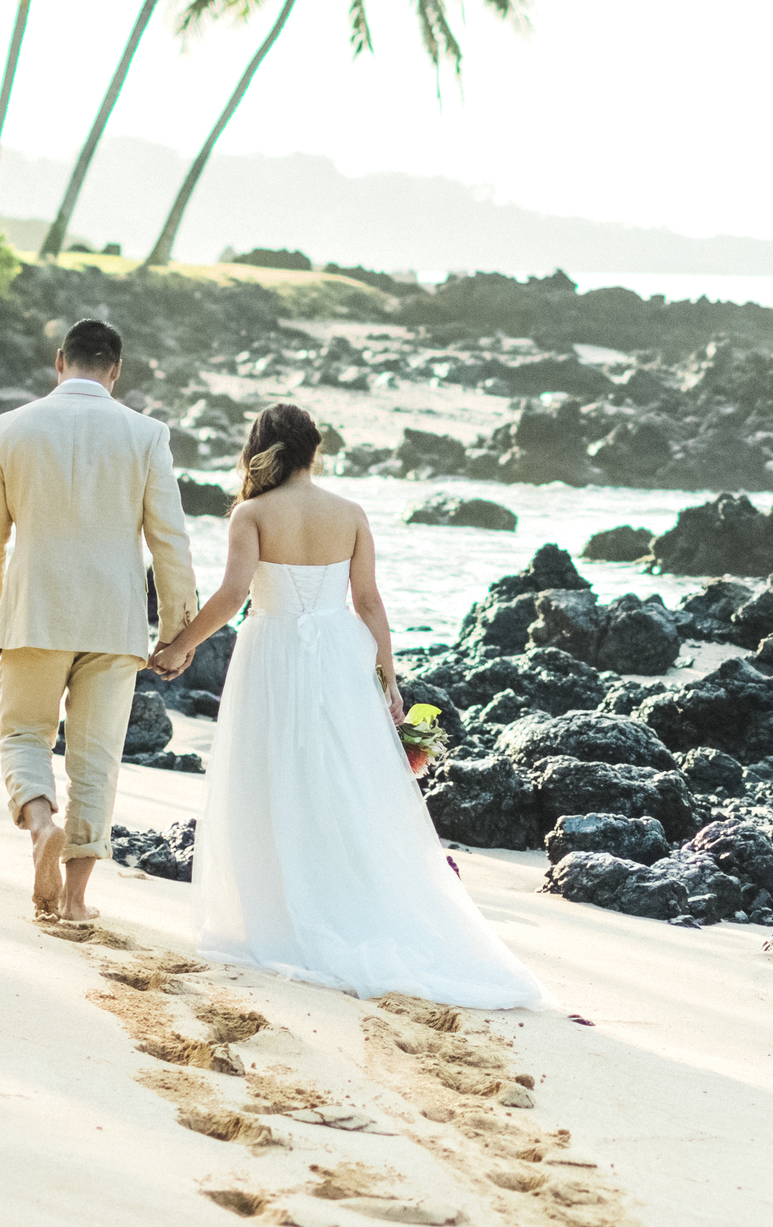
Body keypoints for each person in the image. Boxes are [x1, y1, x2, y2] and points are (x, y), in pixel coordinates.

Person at [150, 402, 546, 1010]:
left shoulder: (251, 513)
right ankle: (350, 898)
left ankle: (279, 910)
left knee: (272, 774)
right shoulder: (351, 513)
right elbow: (369, 601)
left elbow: (233, 595)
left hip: (273, 651)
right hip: (339, 653)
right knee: (345, 780)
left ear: (260, 450)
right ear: (316, 451)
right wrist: (388, 679)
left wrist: (181, 644)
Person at [0, 319, 196, 925]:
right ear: (116, 371)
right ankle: (73, 898)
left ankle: (42, 824)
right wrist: (176, 629)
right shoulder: (146, 435)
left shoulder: (7, 430)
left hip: (34, 611)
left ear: (59, 361)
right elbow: (169, 540)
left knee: (22, 735)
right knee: (97, 758)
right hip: (113, 620)